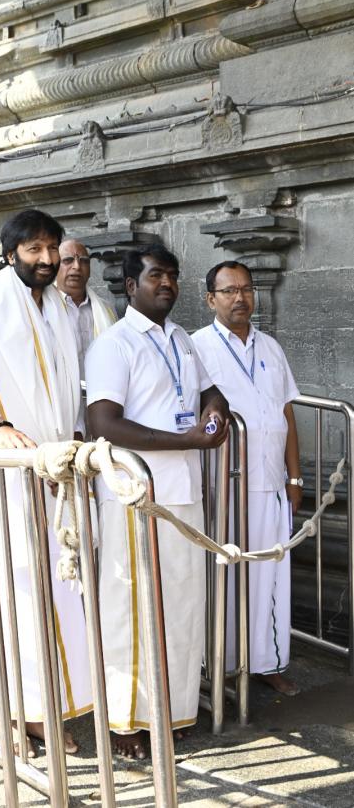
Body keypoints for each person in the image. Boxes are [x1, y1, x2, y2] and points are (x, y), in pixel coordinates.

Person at [0, 208, 91, 755]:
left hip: (55, 471)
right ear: (10, 255)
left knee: (54, 590)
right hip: (7, 473)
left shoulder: (56, 305)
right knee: (11, 591)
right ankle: (11, 713)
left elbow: (64, 383)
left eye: (52, 247)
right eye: (34, 249)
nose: (48, 259)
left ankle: (45, 707)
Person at [85, 244, 230, 758]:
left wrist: (212, 415)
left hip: (184, 492)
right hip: (134, 494)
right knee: (130, 606)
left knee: (182, 606)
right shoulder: (114, 344)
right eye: (154, 276)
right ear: (130, 286)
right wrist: (187, 441)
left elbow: (213, 394)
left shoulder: (183, 339)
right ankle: (126, 719)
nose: (166, 283)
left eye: (171, 275)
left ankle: (172, 710)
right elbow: (102, 424)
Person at [192, 260, 302, 696]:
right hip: (224, 484)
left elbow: (287, 412)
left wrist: (295, 478)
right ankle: (219, 663)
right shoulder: (196, 346)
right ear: (211, 299)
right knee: (225, 576)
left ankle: (267, 662)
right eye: (229, 290)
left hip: (271, 481)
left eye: (247, 289)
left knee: (270, 577)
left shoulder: (270, 347)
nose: (240, 297)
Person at [55, 239, 116, 377]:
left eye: (84, 261)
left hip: (101, 391)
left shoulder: (107, 309)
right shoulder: (44, 308)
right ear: (54, 266)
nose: (77, 266)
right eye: (68, 260)